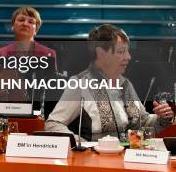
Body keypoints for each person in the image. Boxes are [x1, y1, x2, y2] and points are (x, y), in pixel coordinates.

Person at [45, 24, 173, 141]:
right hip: (94, 161)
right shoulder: (80, 83)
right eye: (121, 52)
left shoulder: (125, 84)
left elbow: (143, 122)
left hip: (127, 158)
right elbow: (53, 124)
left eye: (127, 51)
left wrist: (162, 117)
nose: (128, 57)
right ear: (101, 53)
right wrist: (81, 144)